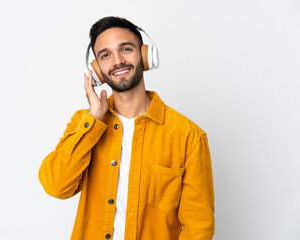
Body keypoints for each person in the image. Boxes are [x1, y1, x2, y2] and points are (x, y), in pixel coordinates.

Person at [38, 16, 215, 240]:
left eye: (126, 49)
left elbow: (199, 227)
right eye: (105, 55)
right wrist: (93, 118)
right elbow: (55, 186)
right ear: (97, 70)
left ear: (144, 55)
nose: (117, 61)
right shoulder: (85, 123)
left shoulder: (188, 135)